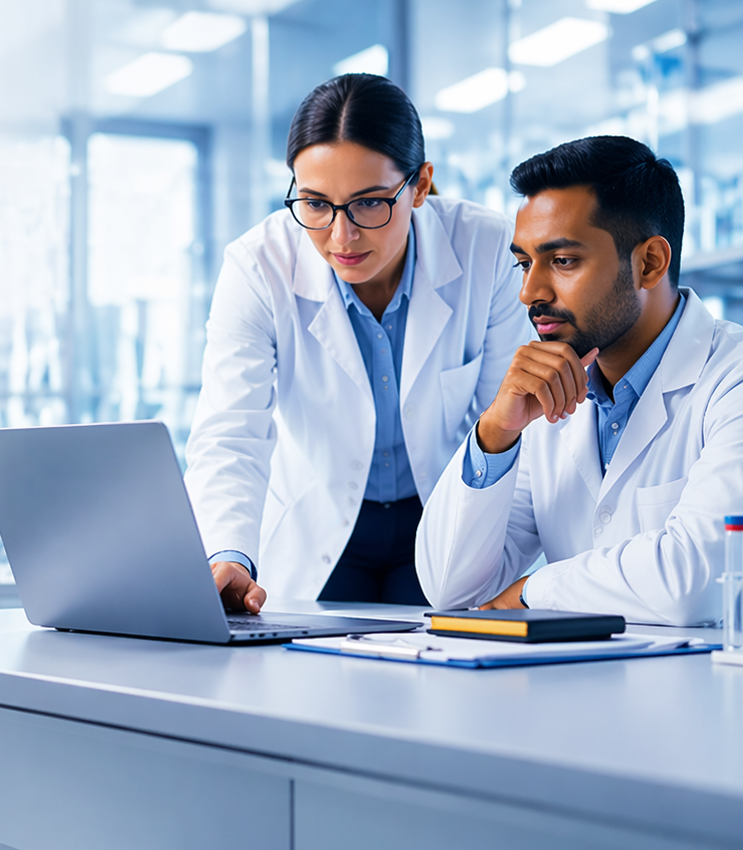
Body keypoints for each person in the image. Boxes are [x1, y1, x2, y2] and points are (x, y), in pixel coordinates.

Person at [415, 136, 743, 625]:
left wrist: (536, 590)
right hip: (593, 690)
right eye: (523, 263)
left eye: (563, 261)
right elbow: (450, 586)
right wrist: (495, 433)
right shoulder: (548, 407)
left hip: (736, 694)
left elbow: (698, 583)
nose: (529, 291)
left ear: (649, 263)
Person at [186, 74, 529, 613]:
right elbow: (231, 432)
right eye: (316, 204)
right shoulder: (258, 265)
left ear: (419, 186)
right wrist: (228, 553)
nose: (341, 237)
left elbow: (505, 422)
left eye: (369, 204)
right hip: (319, 523)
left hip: (441, 519)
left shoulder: (488, 250)